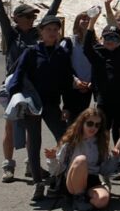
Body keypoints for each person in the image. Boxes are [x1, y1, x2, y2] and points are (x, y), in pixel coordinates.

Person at [0, 0, 66, 183]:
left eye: (34, 17)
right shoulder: (12, 34)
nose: (32, 20)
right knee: (10, 124)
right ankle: (8, 165)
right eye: (29, 17)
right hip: (16, 84)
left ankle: (31, 166)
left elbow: (51, 14)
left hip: (34, 87)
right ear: (17, 18)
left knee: (33, 127)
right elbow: (2, 17)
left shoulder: (36, 34)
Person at [5, 13, 75, 201]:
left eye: (55, 30)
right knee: (34, 144)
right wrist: (16, 98)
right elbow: (17, 77)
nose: (52, 33)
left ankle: (60, 177)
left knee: (64, 138)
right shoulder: (31, 52)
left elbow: (67, 82)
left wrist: (67, 105)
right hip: (32, 104)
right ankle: (38, 183)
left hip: (52, 104)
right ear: (41, 32)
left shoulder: (61, 54)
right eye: (48, 29)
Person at [81, 0, 120, 193]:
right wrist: (92, 23)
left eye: (114, 39)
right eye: (107, 39)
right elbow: (87, 47)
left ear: (119, 41)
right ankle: (105, 178)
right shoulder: (98, 54)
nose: (111, 42)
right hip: (104, 102)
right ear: (102, 39)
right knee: (102, 141)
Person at [45, 107, 118, 211]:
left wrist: (114, 158)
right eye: (90, 123)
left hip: (92, 180)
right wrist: (52, 159)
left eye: (97, 125)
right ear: (82, 123)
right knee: (81, 160)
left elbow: (104, 171)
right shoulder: (70, 142)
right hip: (71, 181)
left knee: (102, 201)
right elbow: (56, 170)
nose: (93, 127)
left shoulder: (100, 143)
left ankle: (85, 198)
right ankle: (78, 198)